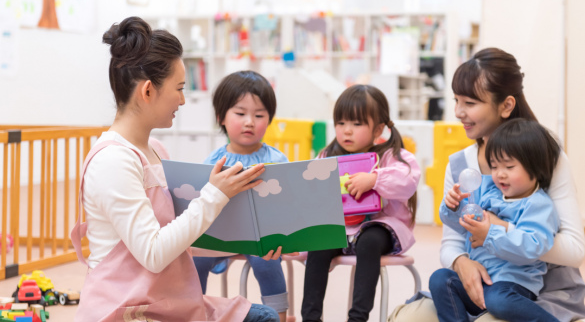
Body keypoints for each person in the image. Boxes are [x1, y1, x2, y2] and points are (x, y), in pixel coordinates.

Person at [70, 17, 281, 322]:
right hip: (127, 309)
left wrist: (255, 244)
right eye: (179, 88)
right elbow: (154, 254)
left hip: (167, 299)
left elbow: (182, 238)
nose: (183, 100)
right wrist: (214, 195)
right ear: (147, 91)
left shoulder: (156, 150)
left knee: (264, 317)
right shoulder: (113, 161)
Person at [389, 48, 585, 322]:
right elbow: (452, 242)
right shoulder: (459, 165)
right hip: (475, 282)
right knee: (408, 318)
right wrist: (461, 263)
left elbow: (575, 251)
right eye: (456, 100)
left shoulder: (546, 157)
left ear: (506, 105)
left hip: (536, 289)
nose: (458, 112)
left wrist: (498, 229)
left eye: (470, 103)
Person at [301, 84, 420, 322]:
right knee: (319, 244)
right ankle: (310, 318)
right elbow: (310, 193)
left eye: (357, 124)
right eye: (341, 123)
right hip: (342, 229)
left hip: (380, 227)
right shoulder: (327, 156)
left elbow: (408, 180)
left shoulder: (391, 155)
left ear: (378, 128)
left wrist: (374, 179)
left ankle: (357, 318)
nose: (347, 131)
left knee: (370, 240)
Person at [431, 119, 561, 322]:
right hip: (479, 279)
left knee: (499, 301)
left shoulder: (538, 205)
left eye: (509, 166)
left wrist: (489, 234)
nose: (500, 174)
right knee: (440, 279)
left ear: (535, 169)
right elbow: (462, 224)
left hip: (512, 282)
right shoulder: (490, 191)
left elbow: (532, 247)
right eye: (494, 166)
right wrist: (452, 207)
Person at [193, 70, 292, 322]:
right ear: (221, 117)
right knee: (195, 261)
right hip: (221, 237)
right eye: (240, 113)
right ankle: (192, 313)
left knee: (266, 263)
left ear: (269, 119)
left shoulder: (277, 160)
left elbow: (288, 204)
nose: (250, 121)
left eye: (259, 115)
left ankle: (279, 317)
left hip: (262, 238)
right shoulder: (214, 162)